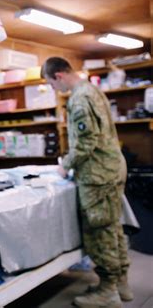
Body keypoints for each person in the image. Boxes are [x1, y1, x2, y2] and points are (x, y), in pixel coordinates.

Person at [42, 57, 133, 308]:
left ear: (59, 75)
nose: (54, 90)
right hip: (111, 168)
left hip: (97, 175)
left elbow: (86, 142)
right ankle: (120, 283)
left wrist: (65, 165)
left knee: (100, 233)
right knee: (113, 228)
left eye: (51, 84)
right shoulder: (92, 90)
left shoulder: (79, 98)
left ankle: (108, 291)